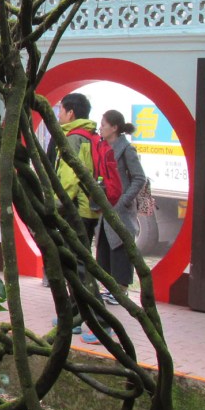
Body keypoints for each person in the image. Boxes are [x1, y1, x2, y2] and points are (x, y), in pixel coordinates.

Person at [48, 93, 102, 337]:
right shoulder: (89, 135)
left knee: (80, 266)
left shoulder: (73, 139)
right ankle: (75, 315)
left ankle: (101, 322)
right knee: (74, 263)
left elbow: (69, 181)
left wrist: (54, 206)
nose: (58, 114)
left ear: (71, 113)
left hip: (76, 211)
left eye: (61, 109)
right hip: (87, 209)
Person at [95, 109, 148, 307]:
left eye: (103, 124)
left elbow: (139, 178)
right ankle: (110, 287)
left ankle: (121, 289)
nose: (100, 128)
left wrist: (124, 200)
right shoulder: (103, 147)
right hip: (106, 206)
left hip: (121, 209)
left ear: (114, 127)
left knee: (120, 247)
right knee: (104, 247)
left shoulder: (126, 150)